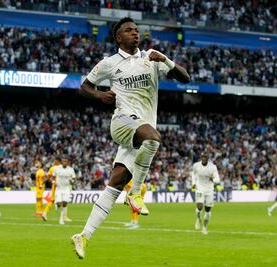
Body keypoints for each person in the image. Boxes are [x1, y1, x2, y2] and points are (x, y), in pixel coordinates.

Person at [71, 17, 190, 259]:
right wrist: (99, 96)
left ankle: (83, 235)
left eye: (136, 30)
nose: (135, 33)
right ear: (118, 37)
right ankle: (135, 193)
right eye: (129, 30)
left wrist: (165, 59)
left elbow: (185, 78)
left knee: (114, 184)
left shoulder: (151, 58)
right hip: (123, 122)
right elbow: (84, 86)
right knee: (154, 138)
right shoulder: (109, 63)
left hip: (139, 132)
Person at [191, 152, 220, 235]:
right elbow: (193, 174)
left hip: (209, 190)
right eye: (202, 157)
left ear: (208, 158)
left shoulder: (213, 167)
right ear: (201, 157)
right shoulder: (196, 165)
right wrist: (193, 183)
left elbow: (218, 179)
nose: (204, 158)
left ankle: (204, 228)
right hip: (199, 188)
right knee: (199, 207)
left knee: (207, 210)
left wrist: (213, 180)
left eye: (205, 157)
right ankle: (198, 219)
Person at [53, 156, 76, 225]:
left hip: (66, 188)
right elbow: (53, 176)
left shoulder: (71, 170)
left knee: (65, 203)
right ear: (61, 162)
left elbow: (73, 178)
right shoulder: (57, 169)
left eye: (66, 161)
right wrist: (53, 182)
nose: (64, 162)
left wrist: (72, 181)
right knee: (59, 203)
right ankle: (57, 204)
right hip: (59, 188)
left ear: (68, 162)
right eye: (63, 161)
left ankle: (61, 219)